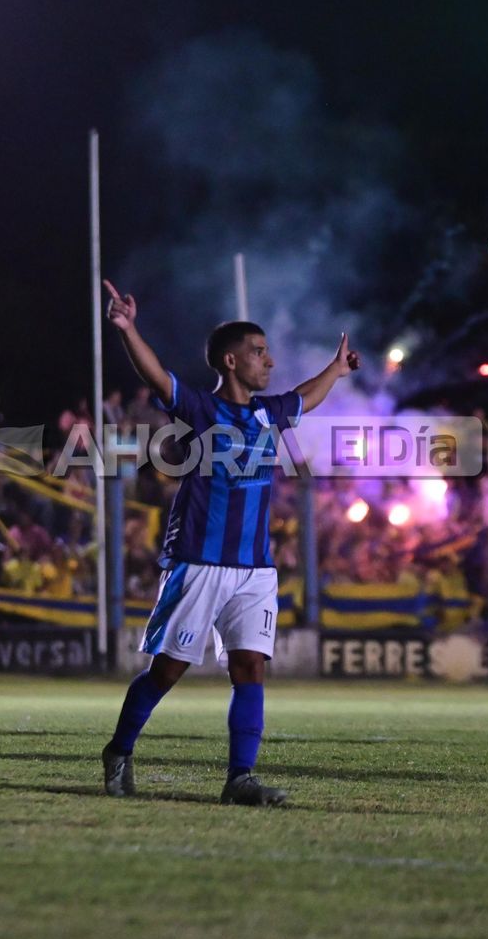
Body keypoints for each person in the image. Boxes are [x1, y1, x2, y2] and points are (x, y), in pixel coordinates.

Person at [97, 280, 360, 806]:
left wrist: (336, 369)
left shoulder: (268, 413)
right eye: (258, 352)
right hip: (198, 560)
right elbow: (156, 374)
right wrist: (128, 328)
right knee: (168, 670)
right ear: (231, 362)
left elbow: (305, 397)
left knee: (250, 667)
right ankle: (119, 751)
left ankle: (240, 777)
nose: (268, 359)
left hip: (255, 569)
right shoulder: (199, 408)